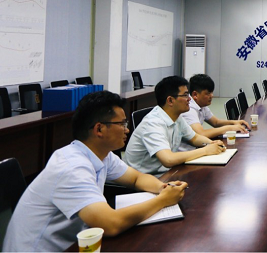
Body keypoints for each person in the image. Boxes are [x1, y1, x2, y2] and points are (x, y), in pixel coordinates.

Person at [2, 91, 188, 252]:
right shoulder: (72, 167)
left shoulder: (101, 154)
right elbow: (110, 224)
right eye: (122, 124)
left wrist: (163, 188)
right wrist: (163, 200)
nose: (127, 130)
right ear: (99, 129)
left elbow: (136, 178)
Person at [125, 75, 225, 175]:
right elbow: (168, 160)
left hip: (165, 172)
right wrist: (205, 150)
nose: (189, 99)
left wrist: (212, 143)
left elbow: (194, 138)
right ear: (170, 100)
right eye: (185, 95)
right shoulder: (153, 123)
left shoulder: (177, 117)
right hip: (144, 177)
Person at [178, 74, 250, 152]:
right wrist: (229, 128)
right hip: (188, 151)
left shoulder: (201, 104)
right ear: (195, 94)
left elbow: (216, 122)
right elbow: (201, 133)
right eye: (208, 93)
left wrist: (234, 122)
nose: (212, 96)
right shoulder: (189, 109)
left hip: (196, 148)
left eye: (212, 92)